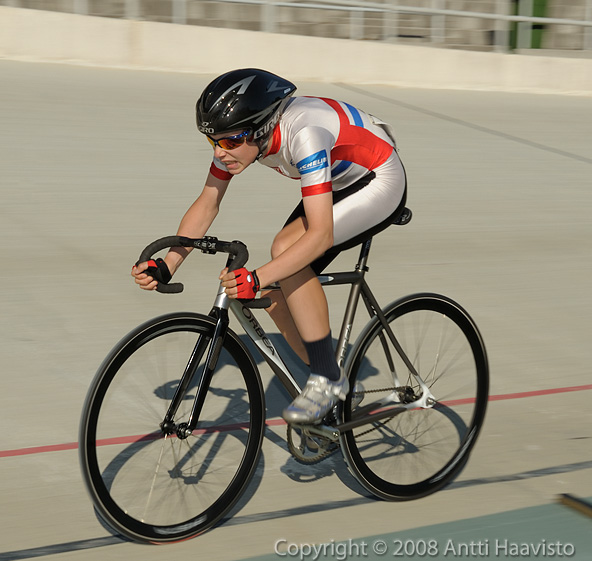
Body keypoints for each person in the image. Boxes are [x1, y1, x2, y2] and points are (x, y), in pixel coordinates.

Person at [131, 68, 407, 425]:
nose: (220, 151)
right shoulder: (240, 138)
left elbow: (320, 235)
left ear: (261, 128)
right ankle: (329, 388)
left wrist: (256, 278)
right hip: (339, 176)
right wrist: (168, 264)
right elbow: (208, 202)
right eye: (213, 141)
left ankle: (328, 380)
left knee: (284, 253)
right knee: (276, 292)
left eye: (230, 142)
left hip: (379, 178)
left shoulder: (305, 135)